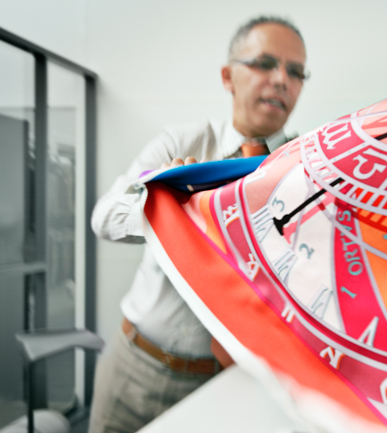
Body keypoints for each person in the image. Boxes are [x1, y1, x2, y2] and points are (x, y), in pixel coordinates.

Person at [89, 16, 307, 433]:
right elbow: (105, 217)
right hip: (134, 368)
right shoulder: (181, 143)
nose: (282, 80)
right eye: (265, 63)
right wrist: (171, 207)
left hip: (227, 385)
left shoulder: (305, 171)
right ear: (228, 77)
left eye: (296, 72)